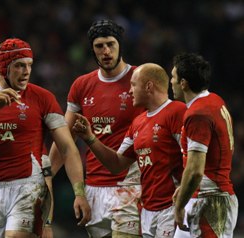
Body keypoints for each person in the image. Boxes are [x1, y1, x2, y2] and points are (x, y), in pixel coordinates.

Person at [0, 37, 90, 237]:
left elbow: (67, 148)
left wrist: (79, 192)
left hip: (28, 184)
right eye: (19, 66)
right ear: (3, 67)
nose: (26, 71)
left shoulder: (43, 98)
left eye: (29, 65)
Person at [48, 19, 144, 237]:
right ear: (92, 50)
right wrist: (45, 177)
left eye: (111, 44)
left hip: (131, 185)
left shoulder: (140, 78)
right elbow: (65, 138)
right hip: (94, 189)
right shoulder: (82, 85)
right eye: (99, 46)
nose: (106, 51)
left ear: (120, 45)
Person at [71, 63, 186, 237]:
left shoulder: (177, 112)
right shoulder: (138, 123)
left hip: (172, 208)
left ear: (148, 86)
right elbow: (117, 164)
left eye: (133, 85)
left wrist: (188, 196)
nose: (130, 91)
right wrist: (90, 138)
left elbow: (194, 157)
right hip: (147, 210)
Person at [171, 53, 238, 237]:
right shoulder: (214, 100)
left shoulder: (198, 114)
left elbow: (195, 170)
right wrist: (185, 188)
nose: (171, 82)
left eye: (173, 78)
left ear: (183, 83)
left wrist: (179, 206)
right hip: (202, 194)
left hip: (210, 201)